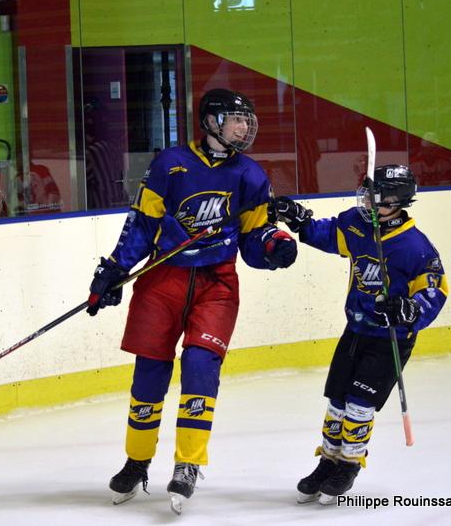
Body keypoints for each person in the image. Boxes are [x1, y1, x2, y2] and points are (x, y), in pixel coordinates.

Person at [86, 88, 297, 514]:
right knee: (149, 373)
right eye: (235, 119)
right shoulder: (170, 163)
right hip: (163, 279)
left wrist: (273, 246)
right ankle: (137, 461)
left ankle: (188, 463)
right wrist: (114, 270)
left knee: (201, 365)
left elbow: (254, 237)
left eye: (246, 119)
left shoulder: (251, 175)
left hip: (216, 283)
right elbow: (142, 224)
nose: (244, 126)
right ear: (212, 122)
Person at [269, 165, 448, 504]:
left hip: (390, 340)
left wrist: (409, 309)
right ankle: (328, 461)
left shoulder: (415, 245)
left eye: (373, 197)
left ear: (393, 202)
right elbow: (327, 234)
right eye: (366, 194)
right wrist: (300, 220)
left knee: (359, 404)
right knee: (337, 401)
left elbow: (435, 290)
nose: (365, 201)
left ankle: (349, 464)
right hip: (355, 330)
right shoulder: (357, 223)